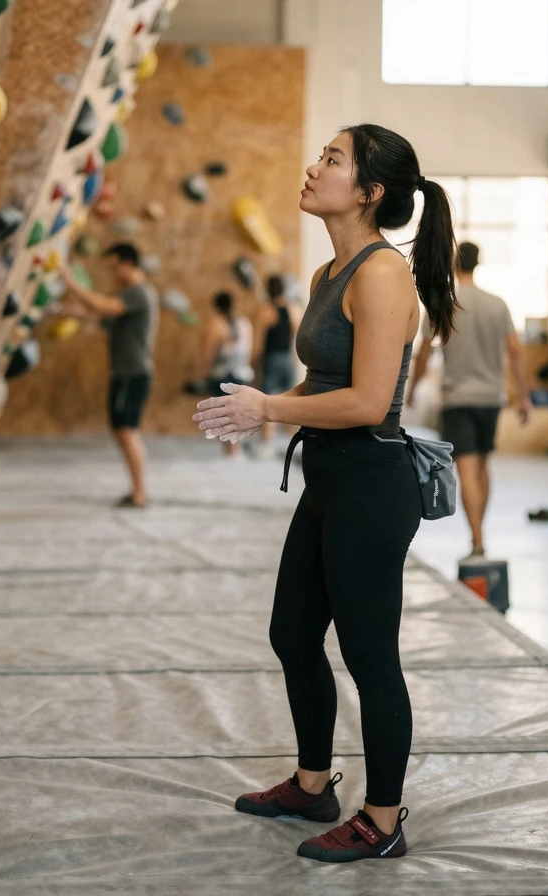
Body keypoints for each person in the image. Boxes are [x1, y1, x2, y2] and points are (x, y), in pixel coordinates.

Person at [191, 124, 458, 862]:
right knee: (291, 633)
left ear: (369, 192)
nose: (314, 168)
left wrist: (268, 411)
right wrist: (261, 403)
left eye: (333, 160)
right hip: (331, 478)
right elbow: (322, 384)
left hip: (374, 483)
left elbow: (371, 402)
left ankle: (383, 819)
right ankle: (313, 784)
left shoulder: (381, 274)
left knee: (371, 657)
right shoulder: (327, 275)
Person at [408, 241, 529, 562]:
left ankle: (477, 541)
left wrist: (412, 387)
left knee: (467, 470)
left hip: (457, 398)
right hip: (491, 398)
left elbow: (424, 352)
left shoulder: (443, 303)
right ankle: (479, 534)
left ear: (453, 263)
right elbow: (516, 352)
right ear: (478, 263)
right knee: (483, 466)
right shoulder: (497, 304)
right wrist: (525, 398)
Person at [59, 243, 158, 508]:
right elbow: (98, 313)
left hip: (133, 373)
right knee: (123, 431)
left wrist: (70, 282)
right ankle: (138, 491)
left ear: (128, 263)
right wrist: (62, 311)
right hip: (126, 372)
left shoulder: (138, 292)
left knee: (127, 432)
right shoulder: (128, 294)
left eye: (114, 267)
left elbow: (103, 306)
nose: (112, 273)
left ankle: (139, 494)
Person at [200, 291, 255, 458]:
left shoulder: (216, 323)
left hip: (222, 375)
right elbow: (249, 350)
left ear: (217, 307)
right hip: (241, 373)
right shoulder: (245, 323)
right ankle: (234, 450)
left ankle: (232, 451)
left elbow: (208, 354)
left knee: (224, 416)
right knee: (235, 413)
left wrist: (203, 371)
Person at [254, 275, 304, 456]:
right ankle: (294, 440)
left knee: (268, 400)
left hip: (272, 358)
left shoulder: (266, 311)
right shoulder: (293, 309)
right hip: (288, 359)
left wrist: (254, 362)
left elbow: (258, 342)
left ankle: (267, 444)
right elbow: (297, 338)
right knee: (291, 401)